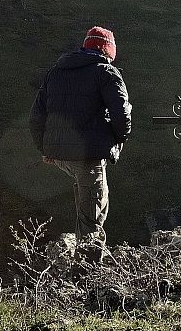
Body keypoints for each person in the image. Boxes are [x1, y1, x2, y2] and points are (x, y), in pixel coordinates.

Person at [29, 26, 131, 260]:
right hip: (88, 155)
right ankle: (88, 271)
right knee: (93, 213)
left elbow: (36, 117)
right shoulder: (106, 72)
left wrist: (45, 148)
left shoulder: (56, 72)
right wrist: (119, 139)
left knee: (86, 201)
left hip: (60, 156)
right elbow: (122, 114)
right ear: (107, 50)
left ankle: (83, 262)